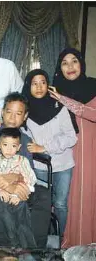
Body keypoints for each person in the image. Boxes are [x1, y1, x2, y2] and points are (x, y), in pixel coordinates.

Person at [0, 92, 51, 248]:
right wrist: (5, 183)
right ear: (2, 112)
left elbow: (26, 172)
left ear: (25, 116)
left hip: (19, 185)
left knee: (43, 194)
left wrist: (20, 186)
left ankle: (36, 248)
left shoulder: (26, 140)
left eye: (18, 113)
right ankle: (6, 246)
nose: (12, 117)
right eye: (8, 112)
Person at [48, 48, 96, 247]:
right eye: (64, 62)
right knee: (63, 200)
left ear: (81, 64)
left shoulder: (93, 85)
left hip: (89, 150)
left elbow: (92, 114)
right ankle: (64, 242)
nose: (70, 66)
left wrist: (63, 100)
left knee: (85, 194)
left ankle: (85, 242)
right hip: (63, 151)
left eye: (74, 61)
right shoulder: (55, 88)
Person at [21, 69, 77, 238]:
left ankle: (59, 241)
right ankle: (42, 240)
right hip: (39, 165)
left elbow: (71, 137)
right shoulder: (25, 110)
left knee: (60, 204)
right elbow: (24, 135)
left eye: (43, 82)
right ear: (28, 86)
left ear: (48, 85)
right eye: (34, 83)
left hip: (63, 165)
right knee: (42, 204)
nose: (39, 87)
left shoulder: (59, 107)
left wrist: (44, 147)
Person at [0, 127, 37, 248]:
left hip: (19, 195)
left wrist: (19, 194)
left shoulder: (22, 160)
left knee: (22, 215)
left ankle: (30, 248)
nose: (8, 149)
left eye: (13, 146)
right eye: (5, 145)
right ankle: (13, 244)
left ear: (18, 148)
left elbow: (31, 178)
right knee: (5, 213)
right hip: (2, 196)